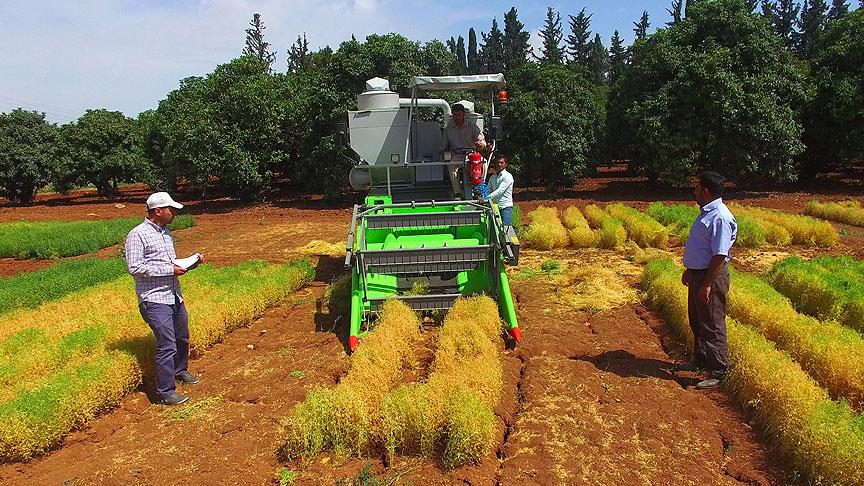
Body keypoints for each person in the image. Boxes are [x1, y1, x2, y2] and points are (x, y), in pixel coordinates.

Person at [125, 192, 204, 405]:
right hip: (154, 299)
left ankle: (180, 370)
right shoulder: (137, 235)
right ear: (158, 211)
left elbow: (169, 262)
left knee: (182, 337)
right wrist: (170, 270)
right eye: (172, 210)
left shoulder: (166, 233)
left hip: (174, 295)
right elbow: (135, 267)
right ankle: (165, 392)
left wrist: (191, 263)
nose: (175, 213)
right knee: (167, 344)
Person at [677, 171, 737, 389]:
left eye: (697, 187)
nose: (694, 191)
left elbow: (719, 255)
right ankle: (701, 361)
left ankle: (719, 372)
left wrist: (707, 284)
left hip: (710, 276)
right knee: (697, 321)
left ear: (705, 191)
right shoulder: (707, 213)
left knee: (712, 325)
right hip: (698, 274)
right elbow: (703, 248)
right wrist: (690, 270)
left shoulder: (720, 216)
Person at [442, 103, 487, 198]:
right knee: (451, 165)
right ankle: (458, 193)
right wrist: (443, 152)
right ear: (452, 115)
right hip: (456, 155)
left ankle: (479, 188)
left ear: (463, 114)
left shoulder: (472, 126)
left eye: (459, 114)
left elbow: (482, 142)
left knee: (484, 163)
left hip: (471, 154)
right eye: (455, 115)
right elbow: (443, 146)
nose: (457, 117)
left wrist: (481, 144)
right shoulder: (448, 129)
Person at [487, 155, 514, 226]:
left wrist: (486, 198)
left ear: (506, 164)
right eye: (497, 162)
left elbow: (500, 191)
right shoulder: (493, 177)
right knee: (493, 230)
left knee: (506, 229)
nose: (499, 164)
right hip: (494, 207)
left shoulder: (508, 176)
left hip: (505, 207)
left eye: (501, 163)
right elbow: (488, 189)